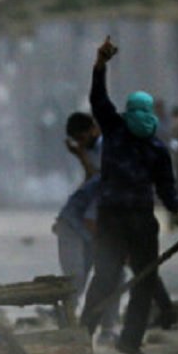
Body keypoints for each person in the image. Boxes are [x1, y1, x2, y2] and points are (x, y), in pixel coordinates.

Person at [79, 37, 178, 354]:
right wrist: (99, 66)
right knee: (128, 279)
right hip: (127, 218)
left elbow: (167, 189)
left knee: (125, 278)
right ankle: (96, 337)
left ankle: (110, 338)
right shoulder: (131, 136)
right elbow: (167, 191)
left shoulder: (126, 134)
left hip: (120, 218)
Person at [55, 113, 118, 341]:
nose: (81, 143)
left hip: (92, 226)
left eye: (82, 138)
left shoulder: (110, 150)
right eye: (77, 140)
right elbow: (94, 186)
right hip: (74, 226)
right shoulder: (96, 152)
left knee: (113, 275)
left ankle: (108, 330)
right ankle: (66, 328)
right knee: (76, 279)